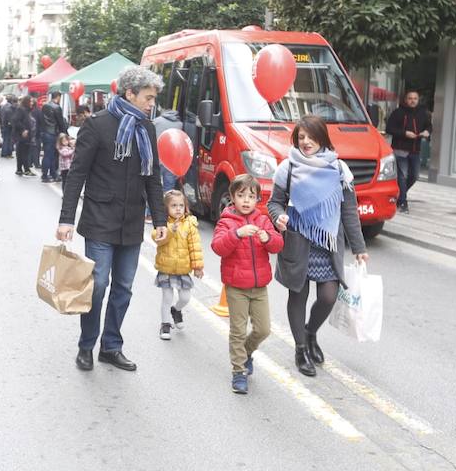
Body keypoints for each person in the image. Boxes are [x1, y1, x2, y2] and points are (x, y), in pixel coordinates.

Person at [57, 66, 168, 372]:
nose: (151, 104)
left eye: (153, 98)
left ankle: (111, 346)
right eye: (147, 97)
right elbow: (77, 174)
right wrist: (66, 219)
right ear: (129, 93)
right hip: (100, 220)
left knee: (123, 288)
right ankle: (86, 345)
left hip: (132, 222)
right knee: (98, 284)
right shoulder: (98, 125)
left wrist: (160, 220)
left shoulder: (147, 129)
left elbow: (153, 177)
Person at [267, 115, 369, 378]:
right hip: (298, 241)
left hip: (327, 243)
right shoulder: (287, 168)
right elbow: (274, 203)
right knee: (297, 296)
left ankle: (311, 332)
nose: (306, 142)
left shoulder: (338, 169)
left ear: (322, 137)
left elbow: (349, 211)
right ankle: (301, 349)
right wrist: (278, 217)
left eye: (311, 137)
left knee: (327, 297)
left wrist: (359, 247)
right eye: (301, 137)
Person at [211, 175, 283, 394]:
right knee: (238, 330)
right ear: (232, 197)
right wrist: (237, 234)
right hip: (236, 287)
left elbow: (278, 244)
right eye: (240, 195)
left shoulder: (262, 220)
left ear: (257, 199)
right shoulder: (226, 221)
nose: (245, 200)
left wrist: (267, 239)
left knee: (263, 329)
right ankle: (239, 371)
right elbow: (218, 247)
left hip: (259, 286)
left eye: (251, 196)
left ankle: (246, 352)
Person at [152, 189, 203, 342]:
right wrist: (169, 231)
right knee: (167, 298)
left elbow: (195, 247)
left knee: (185, 297)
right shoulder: (162, 224)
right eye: (174, 205)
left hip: (182, 270)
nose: (178, 209)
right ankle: (165, 323)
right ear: (166, 208)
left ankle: (177, 310)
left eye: (181, 205)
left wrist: (198, 266)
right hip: (166, 268)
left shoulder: (190, 224)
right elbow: (157, 238)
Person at [385, 90, 432, 214]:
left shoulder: (422, 113)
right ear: (406, 99)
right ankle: (402, 202)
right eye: (410, 98)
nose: (412, 100)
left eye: (415, 98)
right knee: (402, 175)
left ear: (418, 100)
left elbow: (429, 126)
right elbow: (389, 128)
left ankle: (399, 194)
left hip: (415, 150)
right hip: (400, 149)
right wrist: (405, 133)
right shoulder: (398, 113)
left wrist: (427, 132)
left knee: (414, 176)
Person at [41, 91, 68, 183]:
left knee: (47, 154)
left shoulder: (45, 106)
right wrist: (65, 133)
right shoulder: (57, 108)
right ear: (58, 97)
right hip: (53, 133)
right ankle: (47, 174)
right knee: (52, 155)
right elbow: (61, 122)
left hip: (45, 132)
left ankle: (48, 174)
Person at [11, 96, 34, 176]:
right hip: (23, 135)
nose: (32, 103)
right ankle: (26, 169)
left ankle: (20, 169)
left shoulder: (25, 110)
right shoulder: (21, 110)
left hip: (23, 135)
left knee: (21, 152)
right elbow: (15, 120)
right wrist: (23, 129)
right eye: (30, 101)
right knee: (24, 153)